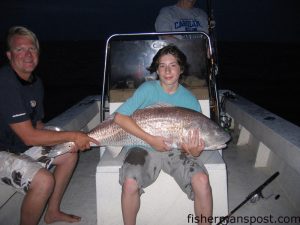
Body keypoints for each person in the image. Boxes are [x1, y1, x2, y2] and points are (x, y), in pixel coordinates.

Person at [0, 26, 98, 225]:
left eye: (32, 49)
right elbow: (29, 136)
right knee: (44, 180)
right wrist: (73, 135)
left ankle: (52, 212)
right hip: (2, 151)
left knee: (69, 152)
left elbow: (37, 125)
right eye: (20, 50)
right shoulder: (5, 81)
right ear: (9, 55)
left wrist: (63, 138)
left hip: (20, 147)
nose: (28, 54)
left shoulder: (36, 82)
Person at [113, 44, 212, 225]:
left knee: (202, 180)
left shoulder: (190, 100)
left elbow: (191, 150)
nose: (167, 70)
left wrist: (194, 151)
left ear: (181, 69)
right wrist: (151, 140)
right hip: (141, 146)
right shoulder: (148, 89)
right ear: (156, 69)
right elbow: (119, 117)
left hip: (175, 151)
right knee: (129, 183)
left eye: (173, 65)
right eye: (162, 65)